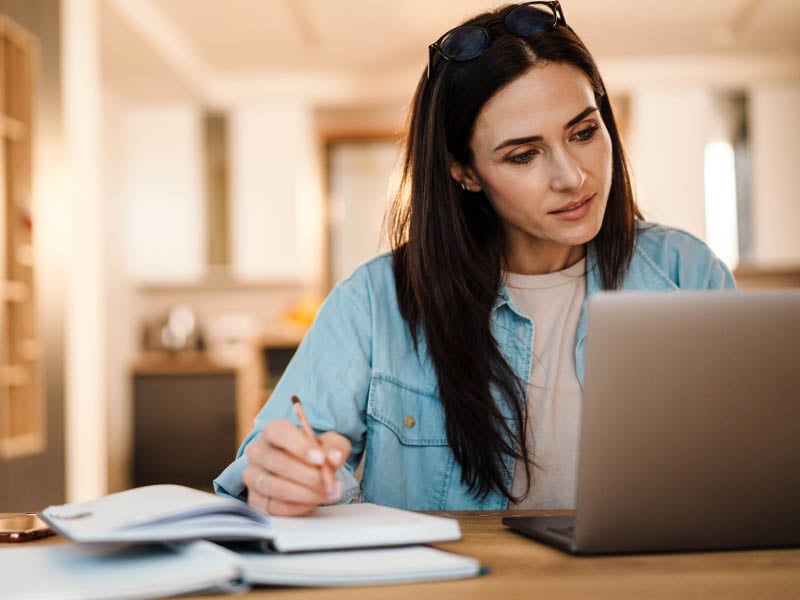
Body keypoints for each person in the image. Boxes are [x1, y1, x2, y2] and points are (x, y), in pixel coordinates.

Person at [214, 1, 736, 516]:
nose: (572, 177)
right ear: (463, 171)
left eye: (583, 132)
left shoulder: (685, 272)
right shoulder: (375, 301)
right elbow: (256, 482)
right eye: (523, 155)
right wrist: (277, 481)